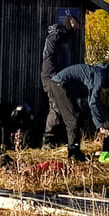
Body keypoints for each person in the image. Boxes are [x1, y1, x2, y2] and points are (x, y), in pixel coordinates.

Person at [48, 60, 109, 162]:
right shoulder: (100, 76)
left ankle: (76, 152)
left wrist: (104, 120)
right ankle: (73, 154)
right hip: (59, 84)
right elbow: (93, 102)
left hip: (62, 85)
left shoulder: (98, 73)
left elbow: (94, 102)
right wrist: (100, 124)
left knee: (77, 117)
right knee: (72, 120)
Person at [40, 11, 84, 153]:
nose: (75, 28)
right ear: (68, 23)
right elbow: (49, 58)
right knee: (55, 108)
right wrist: (54, 76)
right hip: (52, 78)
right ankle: (47, 140)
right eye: (74, 24)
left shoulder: (65, 38)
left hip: (61, 78)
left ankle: (54, 139)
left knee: (62, 108)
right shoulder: (55, 37)